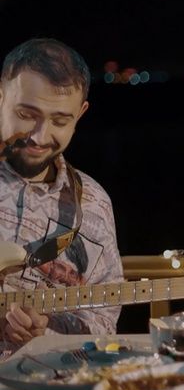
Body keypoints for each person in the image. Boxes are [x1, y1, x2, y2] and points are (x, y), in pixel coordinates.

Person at [0, 39, 123, 352]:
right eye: (27, 114)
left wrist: (46, 332)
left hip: (50, 378)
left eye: (59, 120)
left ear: (80, 114)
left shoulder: (94, 205)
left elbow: (104, 318)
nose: (40, 136)